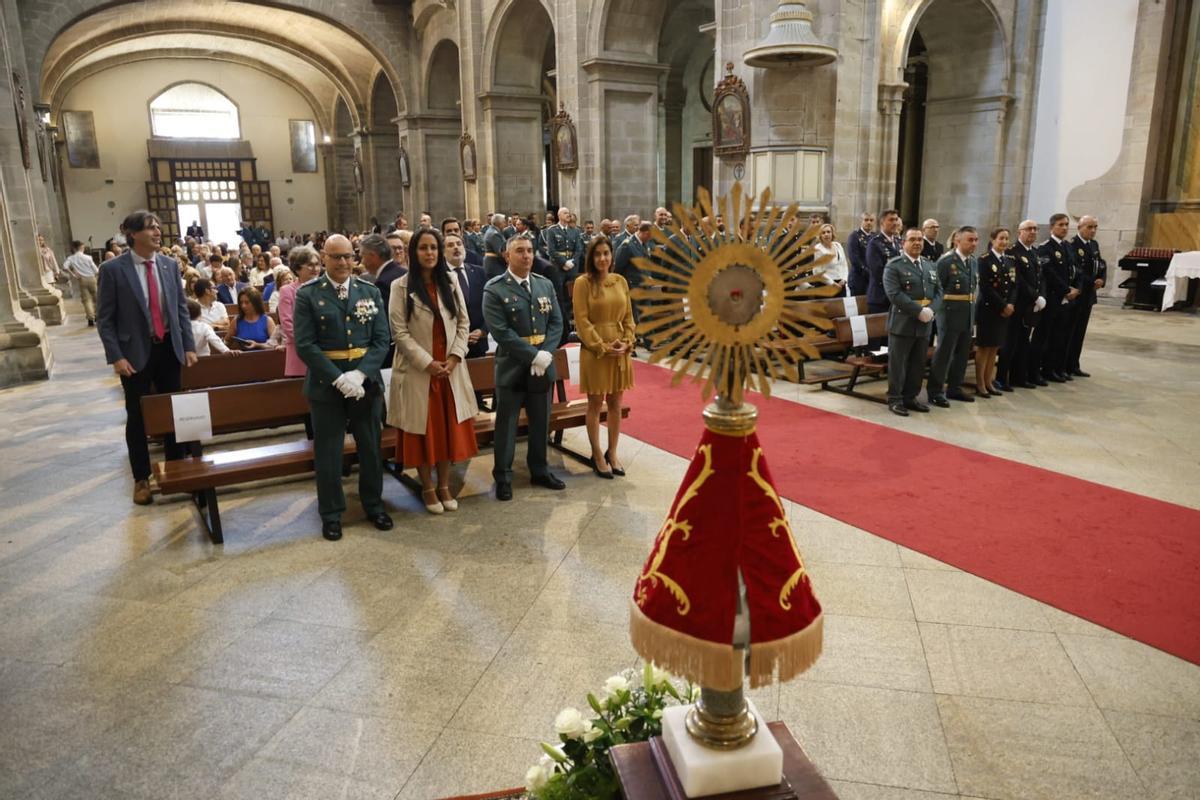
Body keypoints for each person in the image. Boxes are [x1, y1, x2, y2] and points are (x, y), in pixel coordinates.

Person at [292, 234, 393, 540]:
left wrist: (360, 376)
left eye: (349, 256)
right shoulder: (308, 294)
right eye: (336, 257)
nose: (343, 263)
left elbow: (380, 339)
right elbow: (305, 344)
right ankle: (332, 513)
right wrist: (338, 378)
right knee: (329, 451)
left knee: (371, 448)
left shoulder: (369, 291)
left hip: (365, 384)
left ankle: (374, 504)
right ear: (324, 258)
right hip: (326, 384)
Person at [96, 210, 197, 505]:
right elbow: (105, 319)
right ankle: (141, 478)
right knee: (138, 417)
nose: (157, 232)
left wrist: (188, 345)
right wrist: (115, 356)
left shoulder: (168, 265)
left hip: (168, 349)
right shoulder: (114, 270)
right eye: (151, 228)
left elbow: (180, 309)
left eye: (158, 227)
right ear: (133, 234)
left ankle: (176, 470)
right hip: (134, 354)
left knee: (173, 412)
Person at [388, 229, 480, 514]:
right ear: (414, 253)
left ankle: (444, 485)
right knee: (423, 431)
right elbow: (399, 333)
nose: (430, 253)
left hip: (450, 368)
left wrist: (454, 357)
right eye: (423, 248)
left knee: (446, 431)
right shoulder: (400, 286)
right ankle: (427, 486)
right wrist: (428, 362)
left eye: (433, 248)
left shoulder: (449, 282)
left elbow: (464, 323)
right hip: (420, 370)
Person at [482, 234, 566, 501]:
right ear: (508, 255)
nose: (527, 255)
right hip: (513, 367)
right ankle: (503, 476)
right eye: (520, 251)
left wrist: (546, 354)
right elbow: (502, 333)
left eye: (530, 250)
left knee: (541, 421)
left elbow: (556, 323)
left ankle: (540, 470)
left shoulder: (544, 285)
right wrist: (534, 356)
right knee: (506, 425)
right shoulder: (495, 289)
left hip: (542, 365)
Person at [572, 236, 634, 479]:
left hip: (619, 348)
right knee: (596, 404)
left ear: (612, 256)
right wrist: (601, 346)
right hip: (595, 350)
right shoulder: (583, 283)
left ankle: (613, 452)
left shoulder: (620, 281)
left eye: (606, 253)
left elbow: (629, 316)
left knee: (616, 403)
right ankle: (597, 454)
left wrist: (628, 341)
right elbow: (582, 320)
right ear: (591, 257)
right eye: (597, 254)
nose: (602, 258)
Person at [883, 228, 940, 417]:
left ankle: (910, 397)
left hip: (925, 322)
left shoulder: (929, 265)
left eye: (920, 240)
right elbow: (894, 294)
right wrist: (919, 311)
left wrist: (931, 309)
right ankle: (895, 399)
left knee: (917, 363)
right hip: (903, 322)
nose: (917, 243)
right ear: (903, 243)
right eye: (912, 239)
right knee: (899, 364)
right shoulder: (894, 265)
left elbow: (939, 291)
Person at [926, 226, 979, 407]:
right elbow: (936, 290)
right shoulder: (946, 261)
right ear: (958, 240)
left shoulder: (972, 261)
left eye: (975, 240)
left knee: (962, 354)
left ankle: (954, 387)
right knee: (944, 354)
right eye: (970, 240)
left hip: (967, 314)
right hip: (949, 314)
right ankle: (935, 390)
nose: (974, 244)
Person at [1000, 220, 1045, 389]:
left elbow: (1041, 277)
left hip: (1030, 307)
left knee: (1024, 342)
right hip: (1017, 304)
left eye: (1035, 229)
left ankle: (1019, 377)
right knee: (1009, 342)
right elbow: (1018, 279)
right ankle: (1002, 378)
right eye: (1029, 229)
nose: (1033, 232)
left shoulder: (1034, 252)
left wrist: (1042, 296)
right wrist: (1035, 297)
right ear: (1020, 232)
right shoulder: (1012, 252)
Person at [1034, 213, 1078, 383]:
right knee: (1043, 337)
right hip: (1053, 298)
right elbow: (1049, 273)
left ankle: (1051, 369)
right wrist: (1066, 289)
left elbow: (1075, 270)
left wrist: (1076, 288)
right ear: (1052, 227)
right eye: (1061, 224)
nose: (1065, 228)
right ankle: (1036, 370)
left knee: (1058, 337)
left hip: (1066, 299)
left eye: (1067, 224)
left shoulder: (1067, 247)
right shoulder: (1045, 247)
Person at [975, 227, 1017, 396]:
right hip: (989, 310)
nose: (1005, 242)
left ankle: (988, 381)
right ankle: (980, 384)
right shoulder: (984, 260)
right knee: (984, 347)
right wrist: (1003, 306)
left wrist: (1011, 304)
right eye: (1001, 238)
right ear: (993, 240)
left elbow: (1014, 285)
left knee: (994, 347)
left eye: (1007, 238)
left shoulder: (1010, 260)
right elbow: (985, 288)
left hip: (1005, 310)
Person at [1067, 215, 1105, 377]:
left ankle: (1074, 364)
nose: (1093, 230)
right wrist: (1092, 282)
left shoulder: (1094, 245)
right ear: (1080, 227)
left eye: (1095, 227)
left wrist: (1102, 279)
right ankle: (1065, 365)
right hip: (1079, 294)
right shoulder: (1073, 245)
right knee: (1070, 331)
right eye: (1089, 227)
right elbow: (1077, 270)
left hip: (1089, 296)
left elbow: (1101, 264)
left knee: (1080, 332)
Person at [278, 244, 321, 377]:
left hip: (326, 353)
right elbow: (287, 324)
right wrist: (310, 345)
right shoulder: (287, 291)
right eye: (310, 265)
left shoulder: (325, 288)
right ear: (297, 268)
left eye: (317, 264)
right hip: (300, 353)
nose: (315, 269)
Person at [445, 232, 489, 359]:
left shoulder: (479, 272)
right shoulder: (439, 277)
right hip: (451, 347)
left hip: (478, 344)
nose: (456, 247)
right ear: (443, 252)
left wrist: (483, 331)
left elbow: (490, 307)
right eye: (450, 245)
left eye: (459, 244)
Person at [866, 209, 903, 314]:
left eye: (896, 219)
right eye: (891, 220)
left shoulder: (898, 242)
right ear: (882, 223)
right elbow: (877, 270)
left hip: (897, 296)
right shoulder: (875, 243)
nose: (895, 223)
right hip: (880, 297)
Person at [63, 240, 99, 325]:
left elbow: (65, 266)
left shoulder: (71, 258)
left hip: (81, 279)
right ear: (80, 247)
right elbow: (96, 270)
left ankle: (90, 318)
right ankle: (98, 315)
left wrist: (73, 274)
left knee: (86, 300)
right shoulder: (88, 257)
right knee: (96, 298)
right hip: (91, 278)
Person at [845, 212, 875, 296]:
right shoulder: (854, 236)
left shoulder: (875, 236)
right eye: (866, 220)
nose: (869, 222)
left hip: (872, 280)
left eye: (871, 220)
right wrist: (868, 272)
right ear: (861, 221)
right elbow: (854, 258)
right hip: (859, 278)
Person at [813, 223, 849, 293]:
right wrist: (832, 283)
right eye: (823, 233)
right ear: (820, 235)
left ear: (832, 234)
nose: (826, 234)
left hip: (841, 284)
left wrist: (844, 279)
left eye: (828, 232)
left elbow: (844, 264)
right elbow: (817, 271)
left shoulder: (838, 245)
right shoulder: (818, 248)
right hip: (825, 284)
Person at [482, 213, 508, 279]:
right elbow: (500, 252)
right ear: (499, 223)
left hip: (493, 264)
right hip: (495, 265)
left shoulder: (492, 231)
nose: (505, 224)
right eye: (504, 222)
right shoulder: (494, 234)